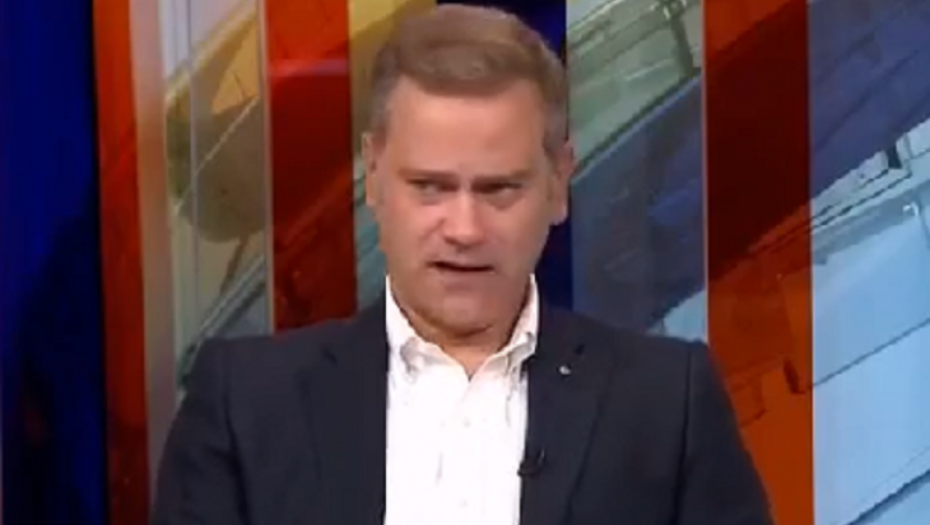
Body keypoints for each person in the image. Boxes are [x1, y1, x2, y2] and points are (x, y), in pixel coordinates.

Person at [151, 4, 774, 525]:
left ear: (559, 183)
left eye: (500, 189)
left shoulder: (668, 402)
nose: (465, 230)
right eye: (430, 187)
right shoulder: (244, 404)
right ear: (375, 178)